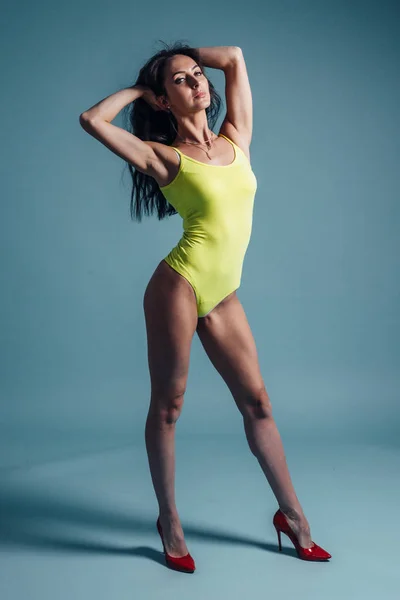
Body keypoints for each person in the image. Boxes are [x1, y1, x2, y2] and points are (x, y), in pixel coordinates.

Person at [79, 42, 331, 573]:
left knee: (258, 403)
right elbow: (92, 120)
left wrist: (187, 54)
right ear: (165, 101)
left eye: (198, 75)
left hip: (224, 292)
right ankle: (169, 522)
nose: (198, 83)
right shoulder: (165, 156)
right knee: (169, 407)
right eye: (182, 80)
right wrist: (138, 89)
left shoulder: (237, 138)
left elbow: (235, 57)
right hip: (180, 287)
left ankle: (295, 519)